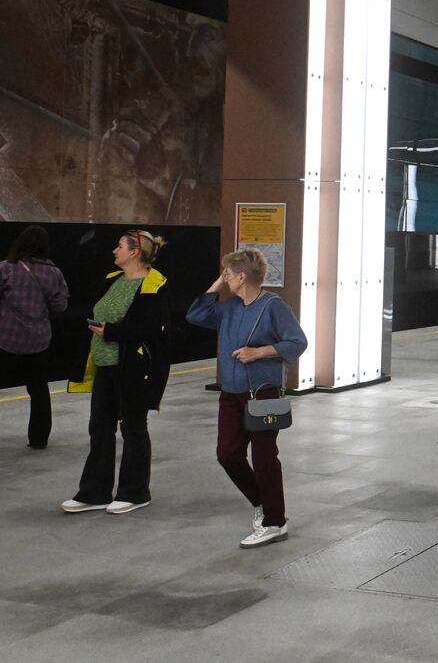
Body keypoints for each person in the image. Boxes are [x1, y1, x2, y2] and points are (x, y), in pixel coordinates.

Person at [186, 248, 308, 548]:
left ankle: (275, 522)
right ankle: (262, 503)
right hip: (231, 392)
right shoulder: (228, 307)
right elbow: (194, 314)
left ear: (242, 277)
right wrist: (217, 283)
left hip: (262, 390)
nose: (224, 279)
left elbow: (297, 341)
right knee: (227, 454)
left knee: (265, 456)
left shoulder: (273, 306)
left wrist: (259, 352)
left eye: (228, 274)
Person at [63, 229, 172, 515]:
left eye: (120, 246)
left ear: (135, 252)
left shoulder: (154, 285)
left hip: (133, 369)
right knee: (99, 428)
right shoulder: (113, 280)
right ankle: (94, 491)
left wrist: (111, 332)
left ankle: (135, 492)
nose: (114, 250)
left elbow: (152, 329)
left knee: (133, 428)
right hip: (104, 367)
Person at [0, 226, 69, 449]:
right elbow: (61, 305)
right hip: (38, 340)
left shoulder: (6, 268)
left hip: (6, 338)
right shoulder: (54, 273)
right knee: (38, 389)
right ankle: (39, 439)